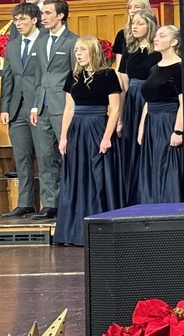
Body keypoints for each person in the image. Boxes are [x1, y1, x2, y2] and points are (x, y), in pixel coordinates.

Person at [53, 36, 122, 246]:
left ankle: (102, 230)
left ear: (93, 51)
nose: (78, 53)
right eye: (76, 50)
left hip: (98, 127)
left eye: (82, 49)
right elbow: (69, 109)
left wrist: (107, 137)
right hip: (78, 131)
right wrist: (63, 136)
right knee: (76, 179)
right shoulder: (73, 76)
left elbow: (116, 108)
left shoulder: (108, 75)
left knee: (99, 178)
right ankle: (73, 231)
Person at [31, 0, 78, 219]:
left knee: (66, 155)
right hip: (43, 106)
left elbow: (75, 77)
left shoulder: (72, 41)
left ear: (60, 15)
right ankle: (50, 203)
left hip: (64, 106)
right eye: (43, 13)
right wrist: (34, 105)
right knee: (45, 156)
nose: (44, 17)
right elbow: (39, 76)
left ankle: (71, 201)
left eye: (48, 13)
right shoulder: (40, 41)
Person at [0, 2, 45, 217]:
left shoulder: (45, 42)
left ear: (34, 20)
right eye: (16, 20)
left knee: (45, 158)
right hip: (17, 109)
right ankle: (25, 203)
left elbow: (45, 78)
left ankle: (49, 204)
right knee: (22, 158)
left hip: (40, 108)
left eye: (23, 19)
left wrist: (38, 104)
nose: (19, 23)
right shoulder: (13, 46)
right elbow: (7, 77)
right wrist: (4, 106)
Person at [115, 9, 160, 204]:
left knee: (145, 143)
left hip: (149, 99)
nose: (134, 26)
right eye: (133, 22)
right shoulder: (130, 50)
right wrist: (120, 116)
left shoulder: (157, 52)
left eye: (140, 23)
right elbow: (123, 82)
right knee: (130, 145)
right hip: (131, 100)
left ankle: (148, 192)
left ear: (150, 26)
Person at [136, 25, 184, 204]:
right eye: (156, 35)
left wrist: (178, 130)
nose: (156, 38)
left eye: (162, 36)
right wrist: (142, 128)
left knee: (168, 167)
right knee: (152, 168)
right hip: (152, 124)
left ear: (174, 42)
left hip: (168, 121)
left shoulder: (180, 68)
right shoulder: (154, 68)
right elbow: (148, 101)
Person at [110, 0, 152, 72]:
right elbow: (119, 67)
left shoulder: (156, 34)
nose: (132, 11)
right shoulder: (122, 34)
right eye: (130, 7)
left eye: (137, 7)